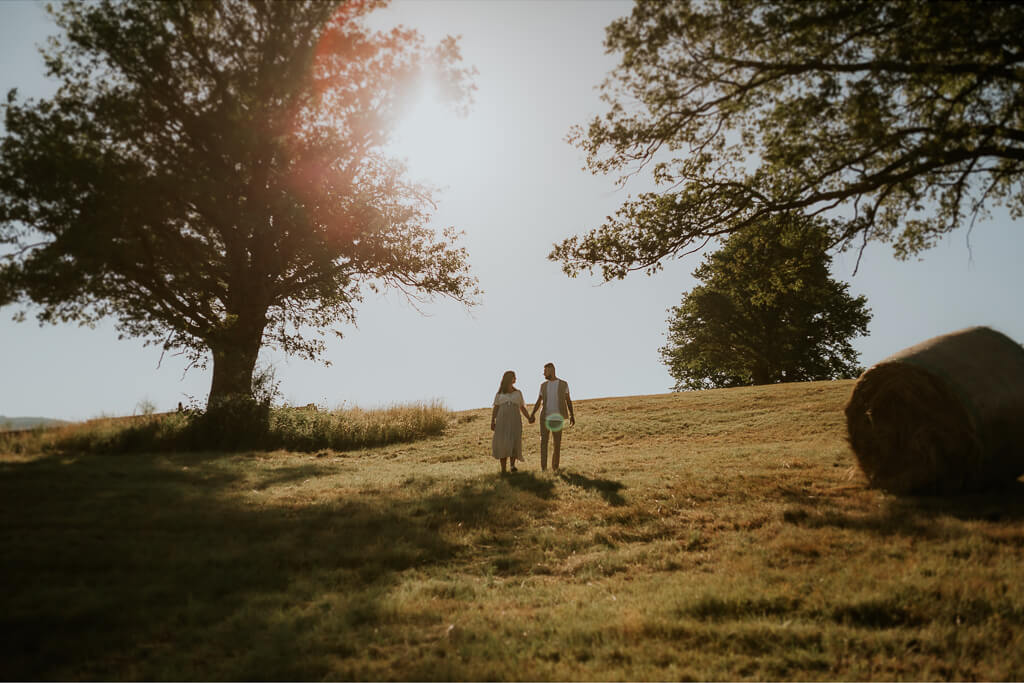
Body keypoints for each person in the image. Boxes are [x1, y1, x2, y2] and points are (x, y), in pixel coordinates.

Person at [530, 362, 575, 472]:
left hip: (557, 418)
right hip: (544, 417)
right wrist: (532, 413)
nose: (543, 373)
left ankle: (555, 468)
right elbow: (538, 401)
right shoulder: (543, 385)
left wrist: (572, 415)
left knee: (557, 444)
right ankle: (544, 469)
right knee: (543, 443)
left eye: (545, 371)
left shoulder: (563, 384)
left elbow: (568, 400)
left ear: (551, 370)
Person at [491, 370, 533, 473]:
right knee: (503, 442)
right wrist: (492, 420)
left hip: (514, 420)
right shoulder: (499, 394)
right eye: (514, 377)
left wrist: (528, 417)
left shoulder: (518, 393)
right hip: (502, 420)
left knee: (514, 440)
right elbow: (496, 408)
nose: (516, 379)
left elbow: (522, 407)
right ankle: (503, 469)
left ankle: (512, 465)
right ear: (510, 379)